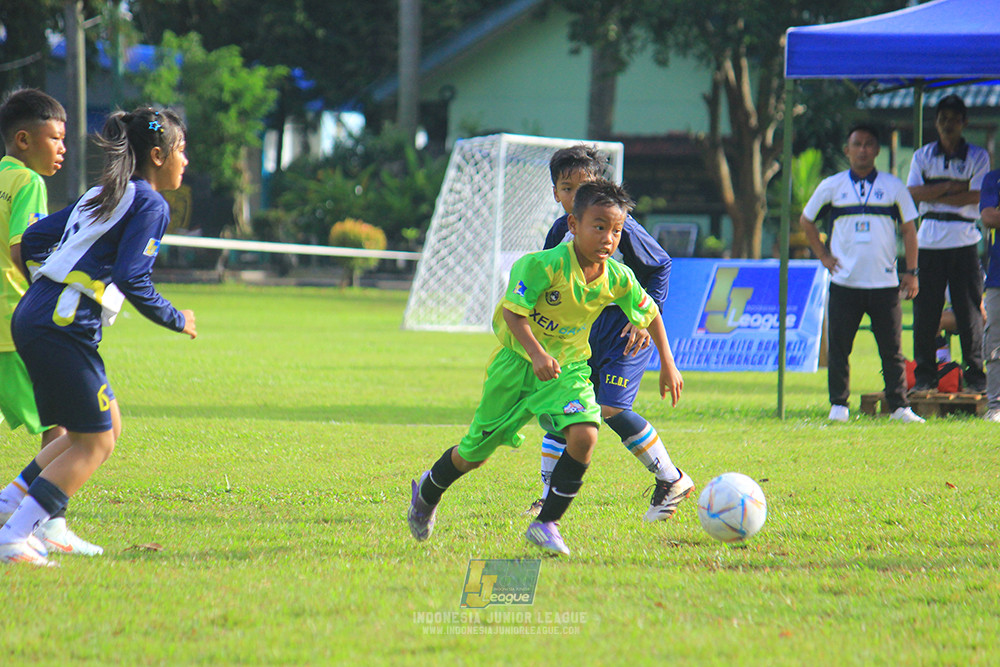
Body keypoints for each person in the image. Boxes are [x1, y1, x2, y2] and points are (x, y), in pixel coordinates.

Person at [407, 180, 683, 556]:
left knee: (586, 433)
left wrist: (668, 363)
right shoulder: (542, 265)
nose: (608, 238)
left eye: (616, 230)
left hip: (566, 370)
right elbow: (512, 311)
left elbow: (649, 313)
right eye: (598, 227)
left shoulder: (618, 277)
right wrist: (536, 353)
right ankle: (428, 491)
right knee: (473, 455)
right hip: (516, 367)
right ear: (573, 225)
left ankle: (546, 523)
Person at [0, 107, 197, 566]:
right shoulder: (150, 203)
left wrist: (51, 286)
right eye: (182, 151)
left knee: (100, 429)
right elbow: (133, 276)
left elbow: (30, 242)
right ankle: (13, 537)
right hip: (60, 325)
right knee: (97, 440)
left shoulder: (102, 192)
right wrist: (176, 319)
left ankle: (9, 505)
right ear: (157, 154)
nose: (185, 161)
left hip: (37, 315)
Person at [526, 145, 691, 522]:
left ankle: (671, 478)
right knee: (563, 407)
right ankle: (547, 494)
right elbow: (545, 281)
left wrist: (644, 317)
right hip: (581, 330)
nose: (575, 196)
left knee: (611, 407)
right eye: (567, 188)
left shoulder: (622, 227)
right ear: (555, 193)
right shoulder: (560, 230)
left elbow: (661, 264)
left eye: (584, 186)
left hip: (624, 329)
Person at [0, 89, 103, 555]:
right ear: (24, 139)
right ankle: (45, 522)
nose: (63, 148)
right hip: (13, 321)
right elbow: (23, 248)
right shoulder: (27, 183)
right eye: (55, 138)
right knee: (63, 427)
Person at [800, 123, 924, 424]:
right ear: (847, 150)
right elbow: (806, 221)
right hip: (845, 282)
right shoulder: (832, 185)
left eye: (869, 144)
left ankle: (899, 407)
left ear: (877, 150)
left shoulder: (894, 187)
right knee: (840, 347)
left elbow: (909, 230)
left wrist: (911, 271)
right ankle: (839, 405)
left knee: (892, 349)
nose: (863, 150)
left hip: (884, 283)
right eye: (857, 144)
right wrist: (823, 255)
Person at [906, 94, 990, 394]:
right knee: (925, 312)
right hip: (929, 239)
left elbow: (977, 195)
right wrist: (951, 187)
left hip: (964, 238)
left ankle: (976, 374)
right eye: (943, 120)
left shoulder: (978, 156)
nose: (947, 125)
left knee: (969, 311)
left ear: (963, 123)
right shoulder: (922, 156)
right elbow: (913, 193)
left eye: (954, 120)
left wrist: (935, 192)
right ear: (936, 123)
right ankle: (926, 375)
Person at [978, 168, 1000, 421]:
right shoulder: (994, 178)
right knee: (995, 339)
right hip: (997, 277)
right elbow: (988, 216)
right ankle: (995, 405)